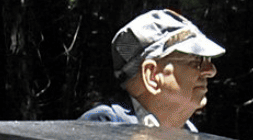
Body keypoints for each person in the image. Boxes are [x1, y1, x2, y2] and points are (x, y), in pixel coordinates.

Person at [77, 9, 225, 132]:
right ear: (152, 76)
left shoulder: (190, 133)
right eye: (196, 61)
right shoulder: (104, 127)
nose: (210, 71)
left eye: (208, 61)